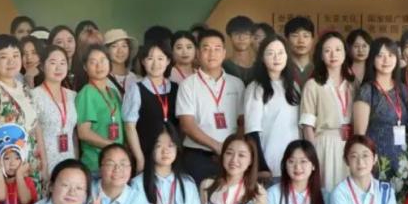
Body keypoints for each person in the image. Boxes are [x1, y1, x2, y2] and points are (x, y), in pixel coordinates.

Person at [0, 35, 46, 193]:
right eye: (3, 57)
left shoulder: (23, 88)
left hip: (30, 168)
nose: (11, 61)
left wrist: (44, 167)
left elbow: (36, 128)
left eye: (15, 55)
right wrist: (1, 174)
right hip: (5, 170)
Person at [177, 29, 245, 185]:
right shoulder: (188, 85)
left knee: (230, 196)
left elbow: (242, 121)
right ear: (198, 53)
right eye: (206, 48)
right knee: (201, 196)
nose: (212, 54)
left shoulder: (237, 83)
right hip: (198, 156)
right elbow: (187, 125)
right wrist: (218, 147)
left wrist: (232, 147)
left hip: (231, 156)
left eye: (217, 49)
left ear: (224, 53)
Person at [352, 37, 408, 198]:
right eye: (380, 55)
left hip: (401, 161)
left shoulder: (402, 89)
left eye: (391, 55)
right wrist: (366, 162)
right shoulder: (367, 90)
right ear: (372, 59)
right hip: (377, 162)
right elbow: (360, 136)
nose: (386, 60)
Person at [300, 31, 356, 192]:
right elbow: (307, 126)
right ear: (321, 55)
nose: (333, 54)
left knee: (348, 193)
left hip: (350, 144)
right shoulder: (313, 85)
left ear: (345, 53)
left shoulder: (353, 84)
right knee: (326, 192)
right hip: (325, 145)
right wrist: (312, 156)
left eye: (338, 49)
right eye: (327, 50)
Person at [243, 35, 300, 183]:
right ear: (262, 58)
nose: (276, 57)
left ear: (287, 56)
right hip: (270, 166)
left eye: (281, 52)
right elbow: (252, 132)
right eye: (270, 53)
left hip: (294, 165)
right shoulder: (256, 88)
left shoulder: (294, 87)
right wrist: (261, 166)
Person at [123, 41, 178, 173]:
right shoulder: (136, 89)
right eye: (150, 58)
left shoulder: (176, 88)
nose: (155, 63)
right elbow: (129, 127)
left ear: (168, 61)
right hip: (146, 153)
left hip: (171, 155)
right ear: (143, 61)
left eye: (160, 58)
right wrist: (139, 158)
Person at [75, 45, 124, 174]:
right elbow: (84, 133)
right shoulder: (87, 92)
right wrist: (112, 147)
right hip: (96, 164)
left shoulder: (113, 92)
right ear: (85, 67)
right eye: (93, 62)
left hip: (116, 162)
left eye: (103, 60)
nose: (99, 66)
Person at [32, 45, 78, 177]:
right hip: (44, 163)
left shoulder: (73, 95)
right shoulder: (33, 96)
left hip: (69, 160)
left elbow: (74, 133)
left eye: (63, 63)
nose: (58, 68)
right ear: (42, 66)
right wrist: (43, 166)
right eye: (53, 63)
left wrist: (76, 161)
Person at [223, 15, 257, 85]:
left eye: (246, 34)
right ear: (230, 37)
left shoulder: (260, 66)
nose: (241, 38)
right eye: (236, 34)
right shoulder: (223, 66)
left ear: (252, 38)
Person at [284, 16, 316, 87]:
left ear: (312, 40)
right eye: (295, 36)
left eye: (306, 36)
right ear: (287, 40)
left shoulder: (320, 68)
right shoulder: (281, 67)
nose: (301, 41)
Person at [105, 29, 138, 95]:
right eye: (114, 46)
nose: (120, 51)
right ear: (107, 51)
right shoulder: (102, 80)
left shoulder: (136, 79)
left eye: (124, 46)